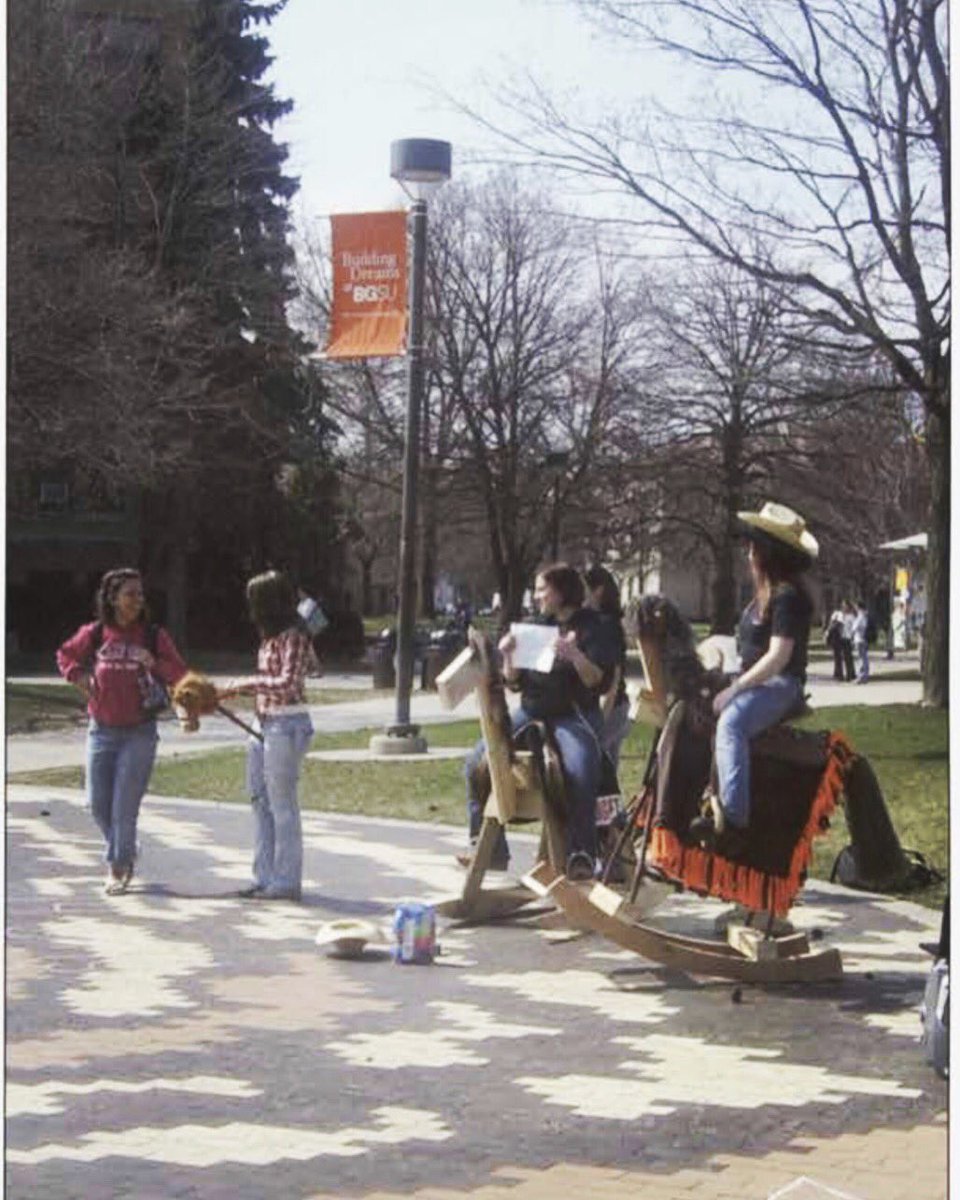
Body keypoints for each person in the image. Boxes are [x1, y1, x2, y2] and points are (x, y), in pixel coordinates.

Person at [462, 563, 619, 881]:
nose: (536, 597)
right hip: (534, 710)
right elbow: (514, 682)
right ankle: (489, 848)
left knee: (581, 768)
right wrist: (508, 657)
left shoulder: (595, 626)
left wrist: (575, 655)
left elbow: (598, 682)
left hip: (571, 713)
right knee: (476, 761)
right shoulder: (535, 626)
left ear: (561, 592)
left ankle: (582, 853)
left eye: (542, 589)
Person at [691, 502, 816, 846]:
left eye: (754, 546)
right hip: (755, 678)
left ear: (768, 554)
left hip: (781, 684)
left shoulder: (787, 597)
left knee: (732, 722)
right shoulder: (759, 598)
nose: (748, 553)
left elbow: (778, 657)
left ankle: (733, 820)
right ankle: (702, 793)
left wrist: (735, 690)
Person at [57, 568, 187, 894]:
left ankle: (117, 867)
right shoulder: (97, 633)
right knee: (97, 803)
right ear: (113, 598)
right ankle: (125, 849)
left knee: (124, 806)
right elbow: (66, 655)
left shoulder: (154, 636)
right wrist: (79, 676)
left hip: (139, 732)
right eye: (130, 594)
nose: (137, 600)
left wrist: (153, 662)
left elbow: (180, 673)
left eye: (141, 594)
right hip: (101, 730)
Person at [220, 570, 319, 901]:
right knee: (258, 801)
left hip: (287, 725)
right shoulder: (270, 638)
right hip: (264, 724)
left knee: (282, 804)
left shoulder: (294, 636)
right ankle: (264, 876)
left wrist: (245, 684)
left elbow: (289, 683)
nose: (250, 608)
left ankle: (287, 881)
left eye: (254, 600)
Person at [583, 564, 631, 771]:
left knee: (599, 773)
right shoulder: (596, 622)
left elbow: (613, 677)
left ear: (598, 590)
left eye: (583, 588)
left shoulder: (607, 626)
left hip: (611, 710)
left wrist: (599, 723)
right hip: (614, 709)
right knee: (606, 777)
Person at [825, 604, 846, 681]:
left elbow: (830, 632)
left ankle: (839, 674)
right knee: (837, 658)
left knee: (838, 658)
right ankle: (837, 673)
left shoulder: (835, 624)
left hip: (837, 641)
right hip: (837, 641)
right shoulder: (836, 623)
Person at [852, 599, 870, 684]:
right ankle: (864, 675)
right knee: (864, 658)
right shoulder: (865, 615)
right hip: (863, 639)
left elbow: (855, 627)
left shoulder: (861, 616)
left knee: (861, 658)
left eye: (856, 606)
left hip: (860, 639)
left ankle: (862, 676)